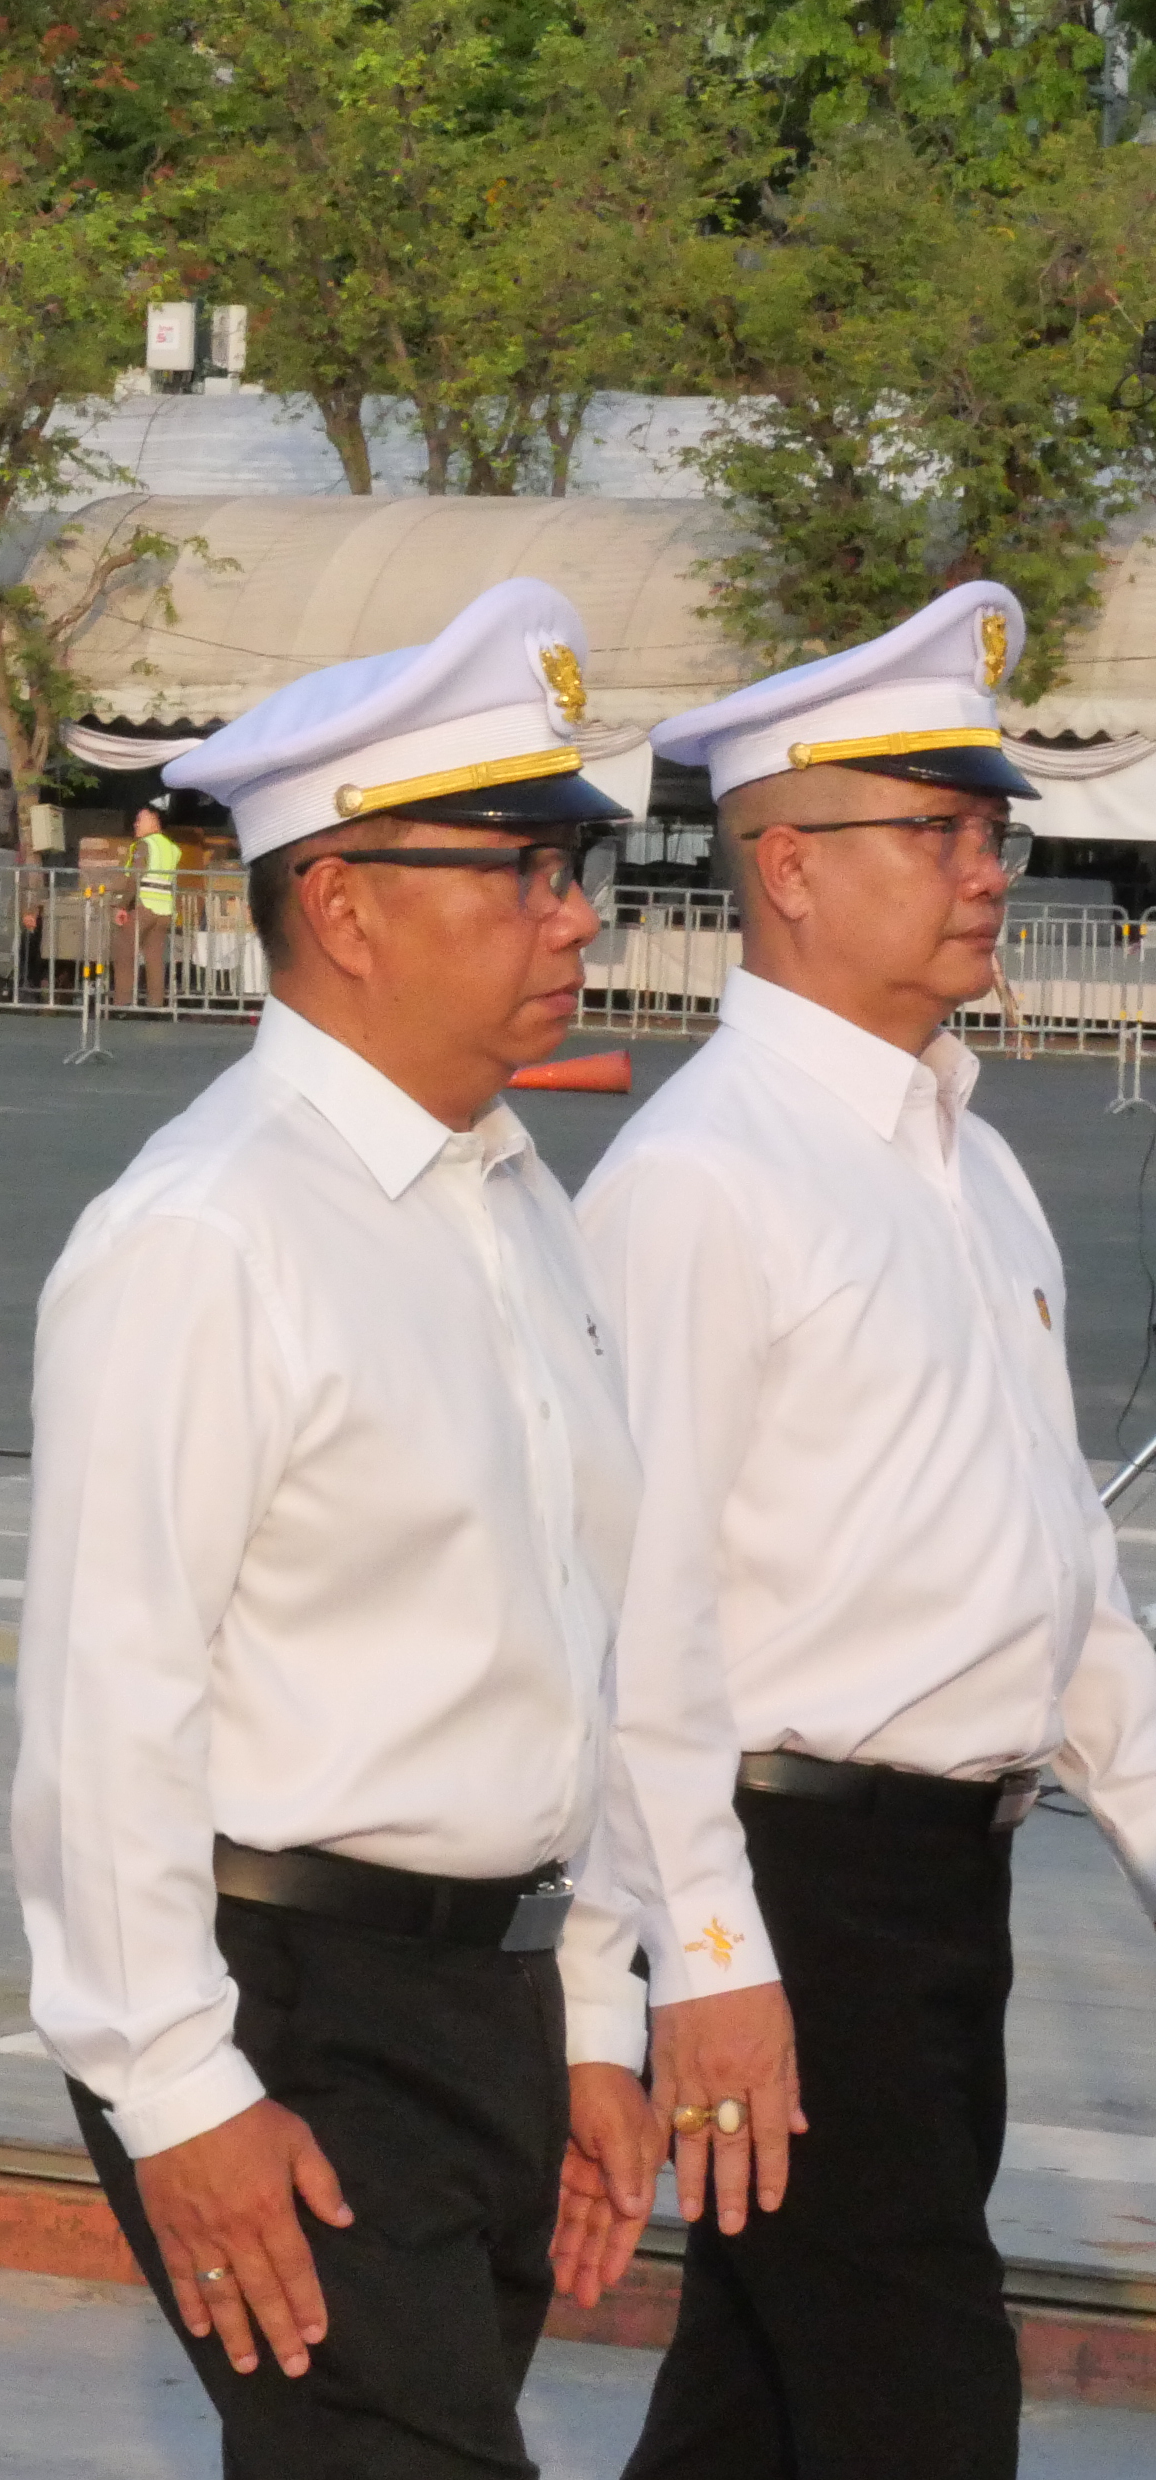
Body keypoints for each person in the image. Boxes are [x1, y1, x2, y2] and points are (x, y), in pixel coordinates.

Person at [13, 578, 669, 2475]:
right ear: (347, 903)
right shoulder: (208, 1233)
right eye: (521, 870)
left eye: (575, 870)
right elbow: (102, 1700)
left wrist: (595, 2011)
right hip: (287, 2006)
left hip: (487, 2003)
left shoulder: (509, 1198)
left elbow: (574, 1641)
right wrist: (174, 2091)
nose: (574, 916)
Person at [585, 580, 1156, 2480]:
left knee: (757, 2401)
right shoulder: (699, 1179)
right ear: (787, 868)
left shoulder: (972, 1165)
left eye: (992, 829)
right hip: (790, 1881)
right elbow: (630, 1624)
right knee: (915, 2396)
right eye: (936, 828)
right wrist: (709, 1964)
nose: (987, 869)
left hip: (942, 1889)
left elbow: (1053, 1584)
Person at [124, 804, 183, 1009]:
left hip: (144, 906)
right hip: (164, 910)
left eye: (140, 819)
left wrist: (123, 905)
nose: (135, 824)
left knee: (124, 951)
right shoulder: (173, 849)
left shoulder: (145, 845)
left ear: (154, 819)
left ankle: (122, 1005)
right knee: (155, 958)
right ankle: (155, 1005)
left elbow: (135, 877)